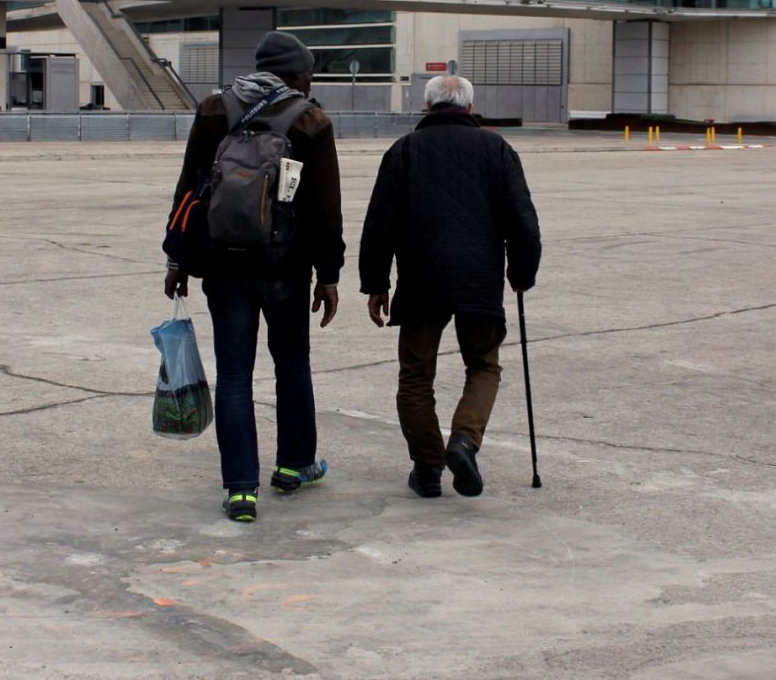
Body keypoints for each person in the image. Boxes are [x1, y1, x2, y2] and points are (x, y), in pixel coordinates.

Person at [164, 31, 344, 523]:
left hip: (222, 267)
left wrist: (177, 259)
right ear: (294, 74)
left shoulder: (212, 110)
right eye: (308, 72)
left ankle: (241, 489)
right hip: (286, 267)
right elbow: (327, 208)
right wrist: (329, 275)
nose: (311, 81)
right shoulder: (310, 119)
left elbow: (190, 188)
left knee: (235, 377)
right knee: (292, 366)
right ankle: (294, 465)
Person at [359, 75, 542, 498]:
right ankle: (463, 441)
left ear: (427, 106)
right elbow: (524, 222)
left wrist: (376, 283)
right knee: (483, 365)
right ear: (469, 106)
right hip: (479, 280)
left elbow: (379, 224)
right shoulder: (497, 149)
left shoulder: (404, 150)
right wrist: (522, 272)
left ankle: (427, 467)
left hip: (421, 279)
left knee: (416, 376)